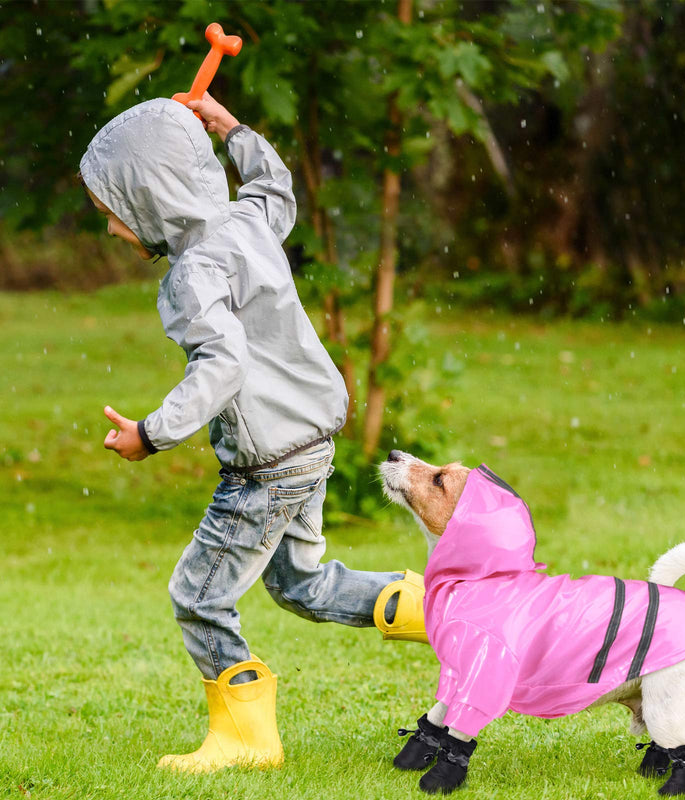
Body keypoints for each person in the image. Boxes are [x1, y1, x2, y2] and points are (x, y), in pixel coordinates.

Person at [79, 93, 426, 773]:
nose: (114, 231)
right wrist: (230, 128)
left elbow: (224, 363)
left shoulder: (193, 274)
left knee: (197, 593)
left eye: (114, 214)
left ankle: (245, 737)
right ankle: (434, 610)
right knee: (303, 586)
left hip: (266, 463)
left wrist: (153, 432)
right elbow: (274, 185)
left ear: (152, 199)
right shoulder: (248, 222)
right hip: (311, 444)